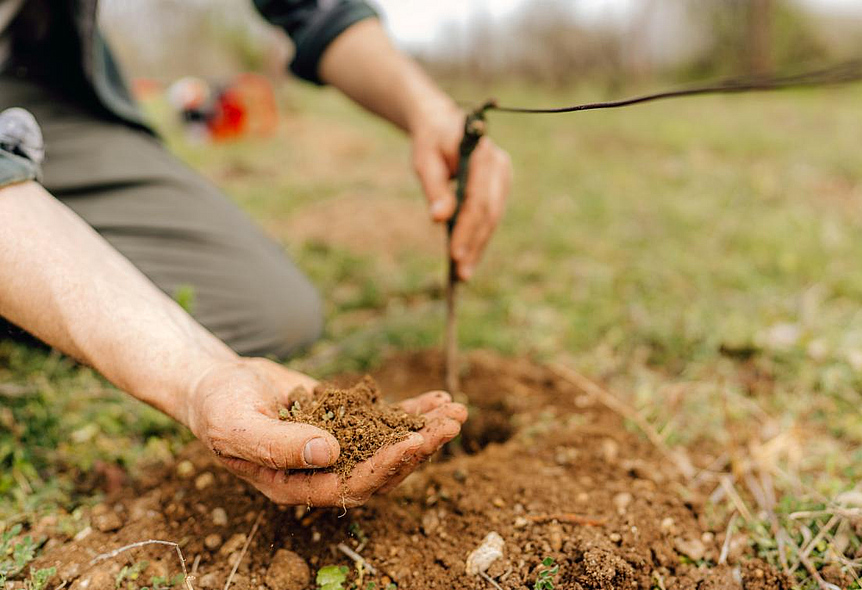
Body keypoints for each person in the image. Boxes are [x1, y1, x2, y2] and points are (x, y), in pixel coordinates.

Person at [0, 0, 513, 506]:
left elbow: (308, 7)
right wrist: (194, 375)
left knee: (270, 311)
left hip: (34, 80)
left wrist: (427, 109)